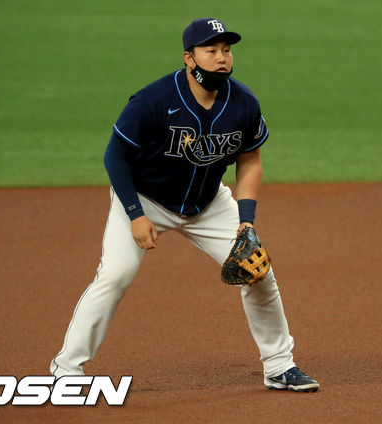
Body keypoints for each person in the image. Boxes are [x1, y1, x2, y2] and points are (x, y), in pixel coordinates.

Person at [50, 17, 319, 393]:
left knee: (258, 272)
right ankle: (66, 369)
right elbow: (115, 157)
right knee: (114, 275)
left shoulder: (243, 103)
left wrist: (247, 222)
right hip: (145, 199)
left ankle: (279, 365)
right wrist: (135, 214)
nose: (222, 58)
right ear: (189, 58)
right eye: (212, 51)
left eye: (226, 50)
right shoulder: (154, 101)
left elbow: (250, 159)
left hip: (208, 204)